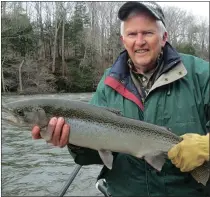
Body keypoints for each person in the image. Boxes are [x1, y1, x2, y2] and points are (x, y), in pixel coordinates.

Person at [32, 2, 210, 196]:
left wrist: (206, 146)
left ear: (164, 37)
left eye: (148, 33)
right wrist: (73, 140)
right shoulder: (109, 83)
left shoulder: (200, 75)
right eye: (132, 34)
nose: (139, 41)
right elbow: (95, 153)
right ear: (123, 40)